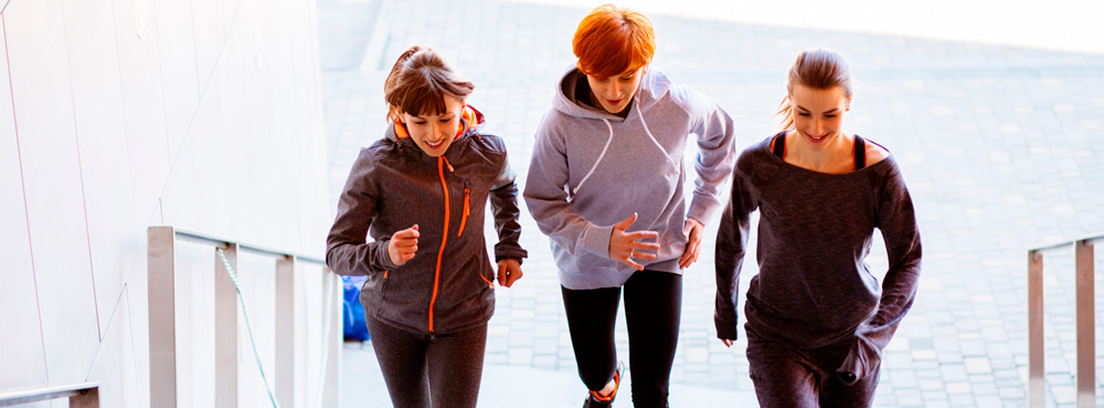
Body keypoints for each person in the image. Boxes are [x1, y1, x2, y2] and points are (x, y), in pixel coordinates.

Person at [524, 5, 735, 407]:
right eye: (602, 78)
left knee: (653, 392)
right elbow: (542, 199)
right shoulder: (558, 125)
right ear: (583, 66)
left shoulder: (676, 103)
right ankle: (603, 387)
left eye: (628, 76)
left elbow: (720, 137)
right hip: (587, 261)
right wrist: (600, 240)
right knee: (595, 373)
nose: (615, 91)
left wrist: (701, 213)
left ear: (646, 64)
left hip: (658, 252)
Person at [714, 48, 923, 407]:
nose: (816, 128)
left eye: (830, 114)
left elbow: (908, 259)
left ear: (849, 103)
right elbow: (732, 235)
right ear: (789, 99)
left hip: (851, 338)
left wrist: (871, 339)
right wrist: (725, 308)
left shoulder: (879, 173)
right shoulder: (758, 164)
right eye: (803, 113)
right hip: (776, 334)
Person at [326, 45, 527, 408]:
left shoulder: (488, 153)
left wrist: (509, 247)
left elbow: (505, 187)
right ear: (399, 113)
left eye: (445, 119)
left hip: (465, 313)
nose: (434, 134)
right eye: (419, 122)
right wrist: (384, 253)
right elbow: (336, 253)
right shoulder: (376, 165)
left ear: (462, 106)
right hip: (393, 319)